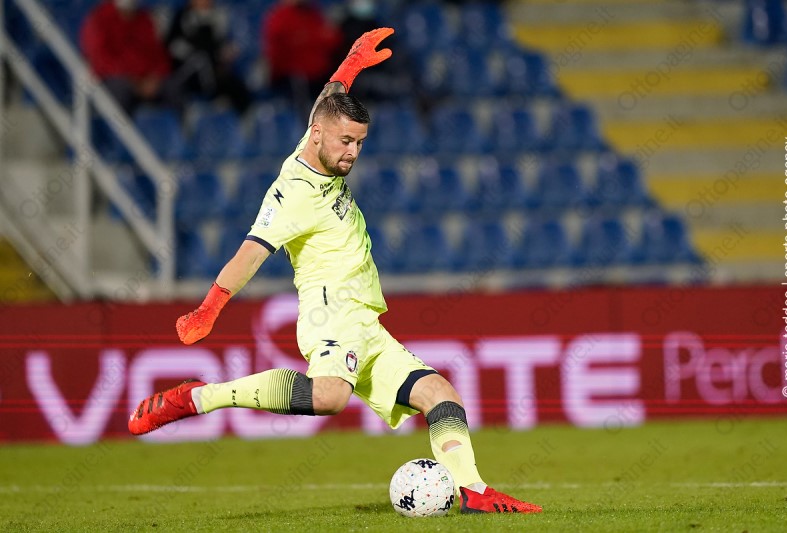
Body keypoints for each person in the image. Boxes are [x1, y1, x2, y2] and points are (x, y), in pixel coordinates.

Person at [128, 28, 542, 515]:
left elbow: (329, 98)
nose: (352, 152)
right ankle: (199, 398)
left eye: (360, 142)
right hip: (331, 312)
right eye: (346, 140)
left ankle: (473, 491)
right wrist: (209, 308)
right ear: (318, 135)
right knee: (329, 396)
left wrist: (352, 62)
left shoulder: (318, 136)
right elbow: (250, 254)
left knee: (440, 394)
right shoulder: (292, 194)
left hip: (365, 321)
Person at [80, 0, 182, 115]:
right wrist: (134, 80)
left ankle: (184, 123)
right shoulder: (98, 19)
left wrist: (155, 76)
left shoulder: (144, 19)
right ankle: (114, 126)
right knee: (121, 88)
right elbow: (99, 61)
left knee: (172, 85)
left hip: (145, 79)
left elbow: (158, 54)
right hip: (113, 79)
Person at [165, 0, 252, 114]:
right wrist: (198, 52)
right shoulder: (182, 17)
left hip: (214, 70)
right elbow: (173, 46)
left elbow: (221, 45)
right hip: (189, 72)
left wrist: (226, 52)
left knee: (237, 87)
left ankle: (242, 118)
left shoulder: (219, 16)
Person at [262, 0, 342, 112]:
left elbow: (332, 40)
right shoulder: (280, 17)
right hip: (296, 80)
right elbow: (276, 54)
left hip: (321, 75)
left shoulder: (313, 12)